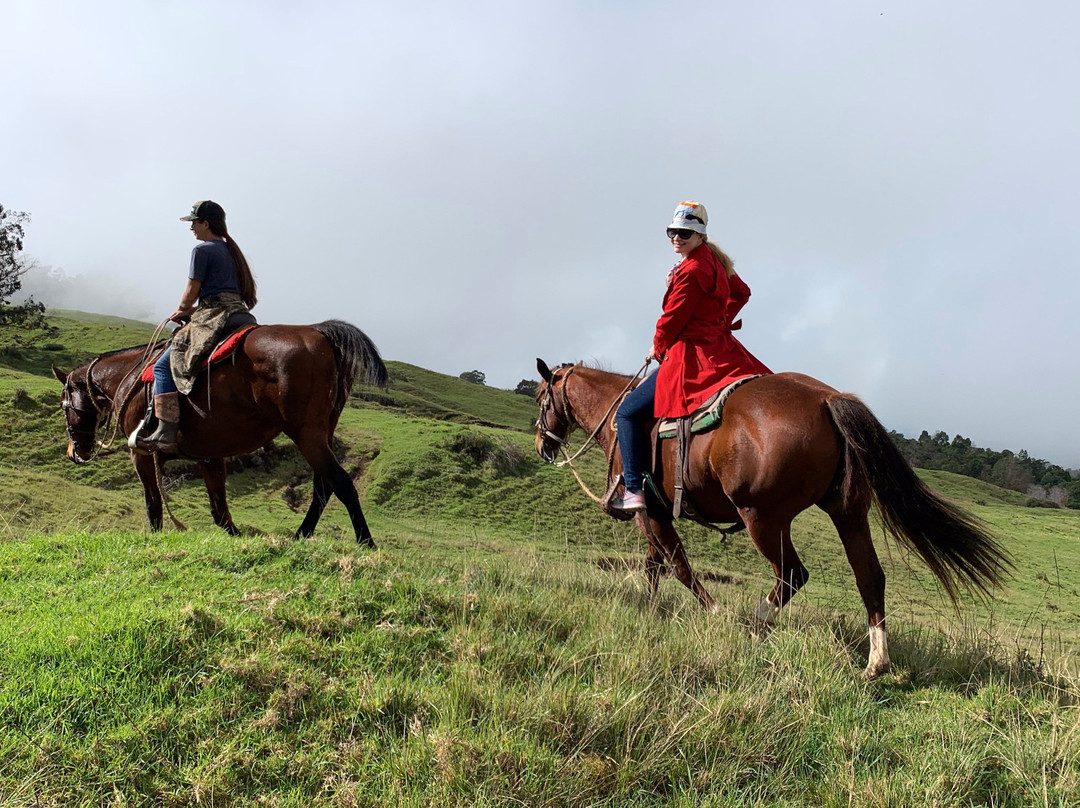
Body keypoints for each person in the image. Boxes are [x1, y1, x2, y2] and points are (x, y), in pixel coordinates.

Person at [610, 200, 772, 512]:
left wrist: (657, 349)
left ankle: (633, 489)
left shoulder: (691, 271)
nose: (677, 237)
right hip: (722, 348)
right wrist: (719, 322)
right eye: (672, 231)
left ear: (699, 235)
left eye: (685, 232)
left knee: (628, 412)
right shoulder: (713, 259)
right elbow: (742, 292)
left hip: (691, 355)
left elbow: (671, 320)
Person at [136, 200, 257, 452]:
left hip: (215, 316)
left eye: (194, 222)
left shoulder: (202, 251)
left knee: (162, 365)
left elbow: (192, 291)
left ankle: (166, 431)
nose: (191, 227)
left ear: (206, 223)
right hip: (239, 314)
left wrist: (182, 309)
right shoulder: (232, 252)